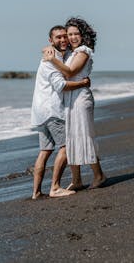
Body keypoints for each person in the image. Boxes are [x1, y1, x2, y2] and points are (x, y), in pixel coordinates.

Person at [43, 17, 106, 190]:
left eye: (76, 34)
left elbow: (70, 72)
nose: (72, 37)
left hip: (81, 98)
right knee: (72, 138)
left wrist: (51, 59)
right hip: (70, 98)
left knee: (84, 135)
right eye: (69, 34)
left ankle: (99, 175)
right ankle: (77, 180)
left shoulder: (84, 51)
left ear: (83, 35)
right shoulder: (71, 52)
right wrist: (51, 49)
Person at [30, 25, 91, 199]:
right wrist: (83, 83)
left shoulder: (53, 56)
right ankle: (55, 187)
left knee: (45, 151)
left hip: (40, 112)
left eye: (65, 36)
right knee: (66, 147)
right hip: (52, 111)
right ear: (51, 40)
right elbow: (61, 85)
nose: (63, 40)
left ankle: (36, 192)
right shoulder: (52, 58)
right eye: (58, 38)